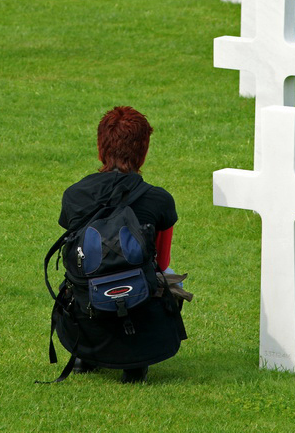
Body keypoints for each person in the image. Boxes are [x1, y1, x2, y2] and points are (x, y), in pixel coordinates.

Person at [51, 105, 188, 383]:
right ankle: (137, 358)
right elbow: (161, 262)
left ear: (101, 147)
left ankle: (83, 355)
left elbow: (74, 256)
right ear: (144, 151)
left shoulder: (74, 195)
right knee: (174, 279)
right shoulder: (159, 199)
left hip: (88, 302)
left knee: (79, 276)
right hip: (136, 298)